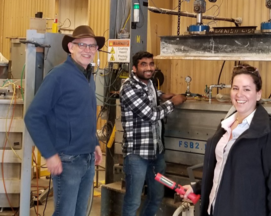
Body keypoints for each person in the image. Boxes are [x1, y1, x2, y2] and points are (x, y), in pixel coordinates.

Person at [181, 64, 271, 216]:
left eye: (247, 89)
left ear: (258, 94)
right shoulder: (226, 125)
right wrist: (197, 187)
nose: (239, 94)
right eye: (235, 88)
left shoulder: (269, 132)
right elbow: (222, 168)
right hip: (214, 210)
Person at [24, 25, 104, 216]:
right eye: (82, 45)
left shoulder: (87, 75)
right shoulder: (58, 76)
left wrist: (95, 143)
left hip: (87, 157)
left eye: (92, 46)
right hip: (68, 159)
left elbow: (85, 114)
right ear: (71, 47)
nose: (87, 50)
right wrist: (50, 154)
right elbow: (33, 116)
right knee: (65, 213)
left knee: (80, 213)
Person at [120, 51, 186, 216]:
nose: (149, 68)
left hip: (156, 152)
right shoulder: (128, 87)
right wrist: (173, 102)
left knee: (156, 197)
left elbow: (149, 94)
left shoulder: (149, 83)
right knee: (133, 201)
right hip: (137, 155)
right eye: (144, 64)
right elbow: (151, 114)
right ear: (134, 68)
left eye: (151, 64)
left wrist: (161, 95)